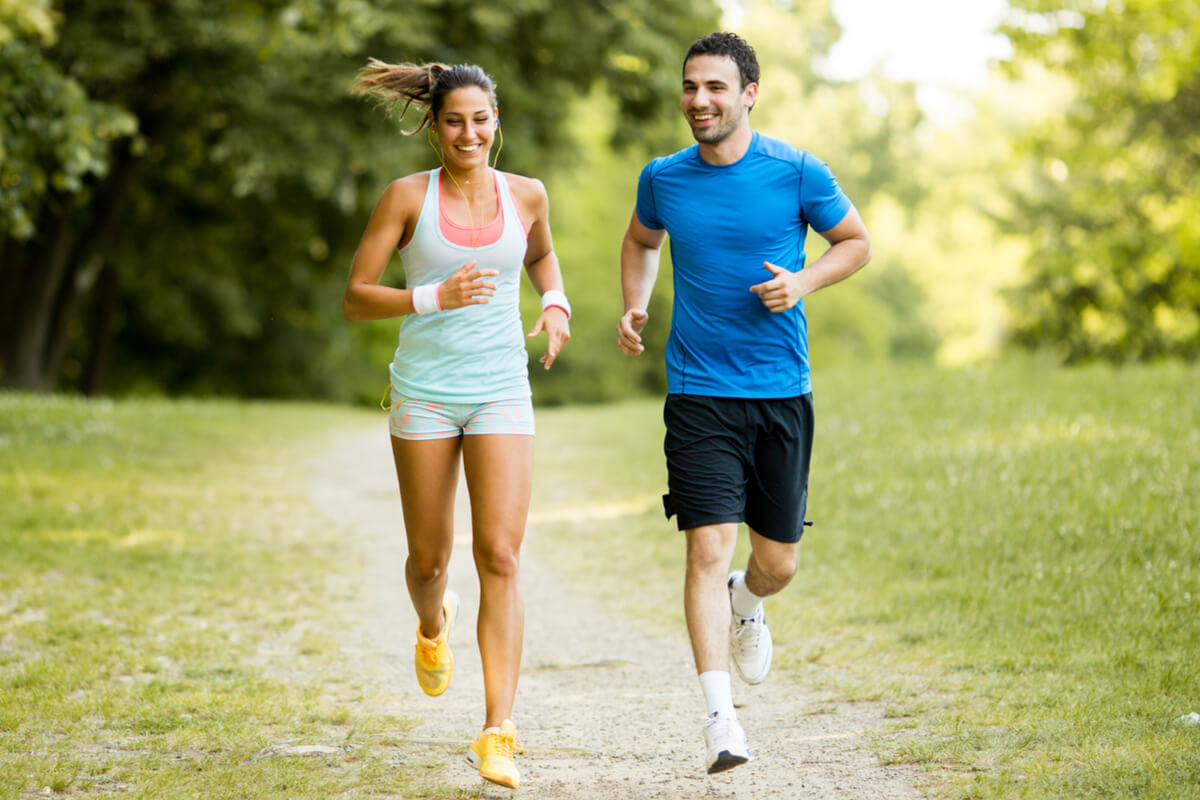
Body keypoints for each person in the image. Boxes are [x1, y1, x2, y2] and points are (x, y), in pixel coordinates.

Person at [616, 32, 871, 774]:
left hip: (781, 392)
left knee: (779, 563)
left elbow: (855, 241)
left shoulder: (795, 171)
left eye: (716, 88)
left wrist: (803, 283)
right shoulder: (663, 178)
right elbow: (640, 241)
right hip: (698, 394)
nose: (700, 100)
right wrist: (635, 303)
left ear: (749, 93)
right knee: (705, 547)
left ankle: (748, 603)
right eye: (690, 87)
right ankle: (721, 721)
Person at [344, 58, 571, 790]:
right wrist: (431, 297)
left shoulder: (527, 195)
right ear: (435, 126)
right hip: (427, 394)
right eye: (453, 121)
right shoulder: (407, 197)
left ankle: (497, 730)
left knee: (500, 555)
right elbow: (356, 295)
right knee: (430, 561)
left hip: (502, 387)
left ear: (495, 120)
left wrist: (556, 301)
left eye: (480, 119)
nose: (468, 132)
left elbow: (538, 255)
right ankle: (432, 621)